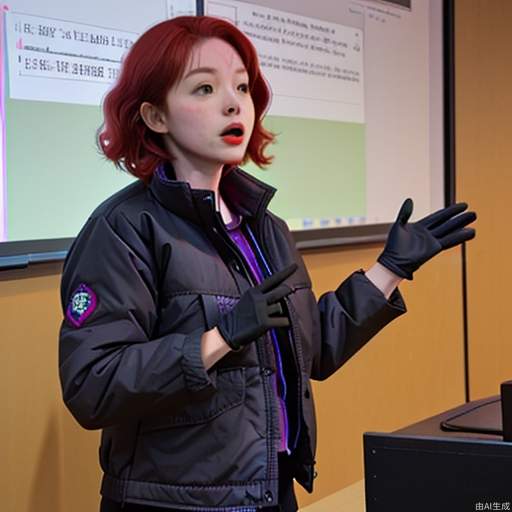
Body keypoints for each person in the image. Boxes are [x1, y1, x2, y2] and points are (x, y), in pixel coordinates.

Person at [58, 15, 476, 512]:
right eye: (205, 88)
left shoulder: (265, 227)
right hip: (176, 502)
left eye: (242, 87)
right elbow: (92, 385)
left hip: (268, 489)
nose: (234, 103)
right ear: (155, 116)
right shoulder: (124, 228)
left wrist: (389, 269)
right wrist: (219, 339)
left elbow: (310, 353)